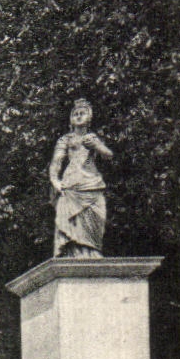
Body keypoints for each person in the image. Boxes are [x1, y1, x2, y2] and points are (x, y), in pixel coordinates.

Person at [48, 98, 113, 259]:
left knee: (97, 218)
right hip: (72, 185)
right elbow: (56, 162)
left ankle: (92, 252)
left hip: (92, 182)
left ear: (89, 117)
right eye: (75, 114)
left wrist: (96, 146)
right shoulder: (66, 139)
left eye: (82, 113)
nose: (78, 116)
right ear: (71, 118)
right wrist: (55, 181)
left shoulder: (92, 138)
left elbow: (108, 155)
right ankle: (74, 253)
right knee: (70, 221)